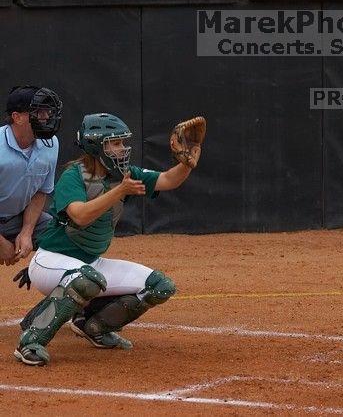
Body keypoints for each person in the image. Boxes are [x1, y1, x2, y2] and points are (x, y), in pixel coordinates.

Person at [14, 113, 204, 366]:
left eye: (123, 142)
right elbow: (80, 216)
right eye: (115, 143)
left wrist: (186, 164)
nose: (122, 148)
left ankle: (94, 326)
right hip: (50, 260)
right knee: (87, 280)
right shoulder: (75, 175)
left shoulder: (123, 174)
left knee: (159, 286)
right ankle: (31, 340)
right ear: (96, 145)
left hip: (90, 263)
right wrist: (120, 191)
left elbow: (168, 180)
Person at [0, 86, 62, 266]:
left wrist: (27, 231)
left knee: (62, 234)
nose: (46, 117)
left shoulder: (51, 144)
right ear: (17, 117)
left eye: (47, 111)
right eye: (38, 112)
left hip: (15, 218)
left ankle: (60, 284)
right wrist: (1, 243)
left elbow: (41, 192)